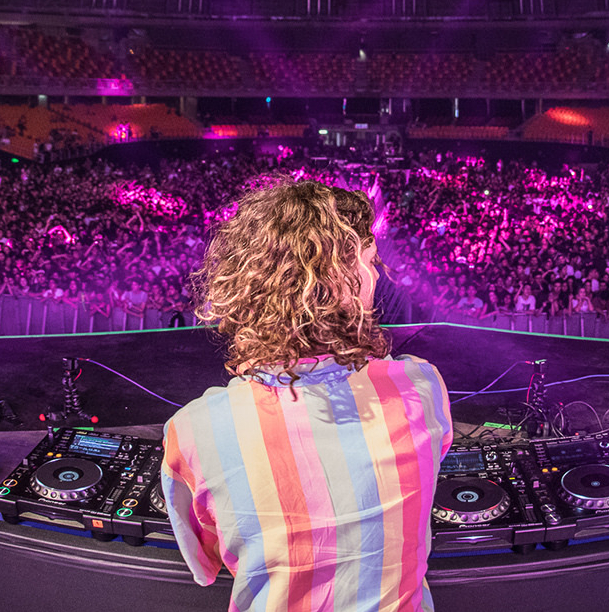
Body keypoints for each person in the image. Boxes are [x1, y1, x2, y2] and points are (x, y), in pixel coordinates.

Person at [160, 180, 454, 612]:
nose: (376, 276)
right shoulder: (420, 387)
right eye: (370, 263)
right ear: (342, 285)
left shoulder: (192, 431)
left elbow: (206, 564)